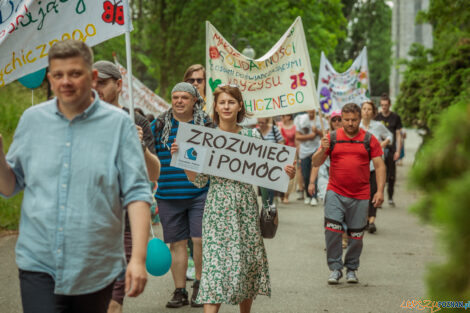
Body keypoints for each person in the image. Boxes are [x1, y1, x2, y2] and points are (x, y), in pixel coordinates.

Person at [0, 40, 152, 313]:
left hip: (95, 266)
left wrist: (138, 259)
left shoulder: (119, 126)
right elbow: (10, 186)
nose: (66, 81)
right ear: (50, 78)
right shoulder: (32, 121)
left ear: (92, 77)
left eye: (75, 73)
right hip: (39, 262)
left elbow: (138, 193)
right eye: (58, 75)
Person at [170, 85, 295, 313]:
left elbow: (267, 175)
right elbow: (198, 181)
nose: (226, 106)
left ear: (239, 106)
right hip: (218, 208)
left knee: (245, 265)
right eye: (222, 103)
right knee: (215, 268)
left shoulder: (252, 135)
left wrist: (284, 174)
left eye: (231, 102)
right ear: (215, 107)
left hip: (246, 207)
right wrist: (182, 160)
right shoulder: (205, 137)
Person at [92, 60, 161, 313]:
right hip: (89, 223)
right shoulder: (79, 119)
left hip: (125, 223)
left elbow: (154, 174)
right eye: (93, 81)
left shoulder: (138, 122)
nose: (95, 87)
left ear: (119, 85)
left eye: (102, 82)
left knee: (114, 298)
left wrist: (140, 147)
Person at [151, 82, 213, 308]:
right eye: (175, 97)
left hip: (200, 192)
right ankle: (180, 291)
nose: (178, 101)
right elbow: (146, 152)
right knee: (176, 244)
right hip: (168, 194)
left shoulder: (206, 125)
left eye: (184, 97)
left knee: (199, 240)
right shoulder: (158, 125)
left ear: (194, 100)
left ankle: (200, 286)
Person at [312, 103, 386, 285]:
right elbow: (315, 162)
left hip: (360, 196)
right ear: (341, 120)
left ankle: (352, 268)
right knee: (332, 231)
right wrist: (322, 149)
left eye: (354, 120)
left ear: (360, 119)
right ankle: (335, 268)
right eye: (346, 120)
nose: (350, 123)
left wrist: (380, 190)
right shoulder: (332, 138)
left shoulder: (369, 139)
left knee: (356, 236)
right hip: (335, 193)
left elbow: (379, 165)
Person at [360, 100, 393, 234]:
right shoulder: (357, 126)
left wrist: (384, 143)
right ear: (361, 111)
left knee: (374, 192)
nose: (366, 111)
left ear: (373, 113)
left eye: (369, 109)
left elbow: (390, 135)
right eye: (364, 109)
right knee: (363, 194)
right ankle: (363, 219)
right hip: (361, 166)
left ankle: (371, 220)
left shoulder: (378, 126)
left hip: (375, 165)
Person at [374, 93, 403, 207]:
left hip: (391, 150)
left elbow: (398, 135)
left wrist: (398, 151)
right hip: (379, 151)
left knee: (391, 175)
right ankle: (378, 198)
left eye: (386, 105)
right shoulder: (377, 117)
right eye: (382, 105)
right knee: (379, 174)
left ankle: (390, 197)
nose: (384, 107)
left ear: (390, 105)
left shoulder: (395, 117)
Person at [295, 109, 327, 206]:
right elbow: (297, 136)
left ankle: (314, 197)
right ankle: (308, 196)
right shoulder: (300, 119)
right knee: (305, 175)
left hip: (316, 150)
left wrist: (317, 131)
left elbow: (326, 135)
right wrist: (311, 136)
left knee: (315, 175)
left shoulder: (321, 120)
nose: (311, 111)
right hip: (304, 151)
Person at [257, 117, 284, 205]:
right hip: (260, 163)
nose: (261, 125)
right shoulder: (256, 131)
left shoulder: (274, 129)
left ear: (267, 121)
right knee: (263, 186)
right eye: (259, 122)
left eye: (262, 122)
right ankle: (266, 203)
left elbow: (281, 142)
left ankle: (270, 204)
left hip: (273, 161)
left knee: (270, 185)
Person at [279, 114, 296, 203]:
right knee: (280, 174)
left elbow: (296, 140)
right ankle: (281, 194)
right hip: (281, 153)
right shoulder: (279, 126)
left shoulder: (294, 126)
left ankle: (287, 195)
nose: (282, 117)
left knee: (290, 175)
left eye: (284, 115)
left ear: (289, 116)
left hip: (292, 153)